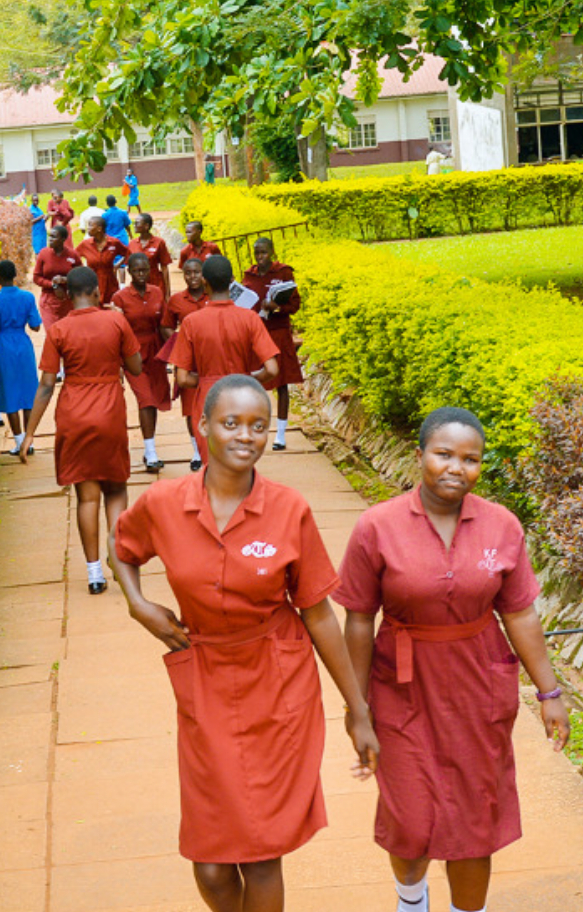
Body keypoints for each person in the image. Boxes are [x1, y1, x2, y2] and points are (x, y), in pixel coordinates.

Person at [110, 374, 378, 912]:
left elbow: (319, 614)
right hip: (206, 681)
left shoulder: (288, 509)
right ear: (202, 425)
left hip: (277, 687)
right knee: (210, 864)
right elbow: (123, 545)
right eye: (230, 423)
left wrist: (358, 708)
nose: (245, 436)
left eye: (258, 425)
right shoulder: (164, 504)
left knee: (259, 854)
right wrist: (136, 602)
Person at [337, 407, 573, 912]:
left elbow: (521, 614)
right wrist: (357, 708)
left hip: (477, 684)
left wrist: (549, 692)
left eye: (471, 459)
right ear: (420, 454)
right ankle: (411, 900)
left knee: (473, 815)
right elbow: (358, 620)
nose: (455, 468)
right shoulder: (377, 527)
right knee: (409, 817)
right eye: (443, 454)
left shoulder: (501, 526)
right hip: (400, 687)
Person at [18, 266, 143, 594]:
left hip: (74, 412)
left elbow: (46, 385)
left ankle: (93, 574)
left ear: (68, 295)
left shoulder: (58, 330)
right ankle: (118, 557)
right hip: (109, 409)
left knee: (87, 498)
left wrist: (29, 434)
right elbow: (136, 367)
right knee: (116, 490)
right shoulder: (116, 321)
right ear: (98, 291)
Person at [169, 255, 278, 472]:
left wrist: (206, 380)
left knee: (214, 470)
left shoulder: (191, 322)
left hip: (209, 397)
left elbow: (181, 377)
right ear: (232, 281)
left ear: (204, 282)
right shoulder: (250, 318)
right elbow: (272, 369)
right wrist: (248, 378)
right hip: (243, 396)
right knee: (241, 468)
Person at [240, 238, 303, 452]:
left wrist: (277, 306)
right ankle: (255, 429)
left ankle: (281, 434)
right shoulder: (249, 275)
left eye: (264, 253)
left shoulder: (283, 273)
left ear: (272, 252)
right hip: (256, 334)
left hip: (278, 332)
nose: (260, 257)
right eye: (257, 253)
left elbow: (295, 304)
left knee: (281, 382)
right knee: (254, 382)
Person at [114, 252, 171, 472]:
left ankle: (150, 447)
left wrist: (176, 351)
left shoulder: (156, 292)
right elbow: (117, 331)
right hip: (132, 353)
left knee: (154, 399)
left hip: (155, 352)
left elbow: (164, 324)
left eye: (144, 270)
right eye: (136, 270)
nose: (140, 274)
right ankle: (151, 452)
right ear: (129, 271)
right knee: (145, 398)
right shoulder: (120, 298)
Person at [0, 259, 42, 456]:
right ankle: (29, 440)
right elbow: (36, 325)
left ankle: (18, 442)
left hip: (4, 347)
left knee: (8, 392)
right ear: (15, 275)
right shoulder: (27, 297)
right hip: (23, 345)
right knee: (28, 393)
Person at [159, 257, 210, 470]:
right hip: (189, 362)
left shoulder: (213, 296)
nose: (192, 277)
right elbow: (165, 327)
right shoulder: (177, 300)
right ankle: (197, 451)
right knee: (190, 408)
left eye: (196, 272)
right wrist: (183, 342)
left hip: (212, 359)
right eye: (188, 273)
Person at [32, 223, 84, 329]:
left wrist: (66, 280)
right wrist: (53, 285)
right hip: (48, 301)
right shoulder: (44, 254)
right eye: (49, 236)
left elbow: (81, 276)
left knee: (67, 332)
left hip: (68, 301)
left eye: (54, 237)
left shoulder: (72, 255)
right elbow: (36, 277)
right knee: (52, 332)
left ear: (63, 239)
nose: (50, 239)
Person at [75, 213, 129, 306]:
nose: (88, 228)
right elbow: (74, 257)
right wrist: (83, 271)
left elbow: (128, 253)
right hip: (92, 284)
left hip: (110, 284)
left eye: (91, 225)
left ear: (99, 229)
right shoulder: (85, 244)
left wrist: (118, 265)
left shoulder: (113, 243)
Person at [129, 212, 174, 296]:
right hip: (138, 283)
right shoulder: (132, 244)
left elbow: (164, 268)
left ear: (146, 226)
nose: (134, 225)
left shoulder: (159, 242)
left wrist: (167, 292)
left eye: (137, 223)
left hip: (156, 281)